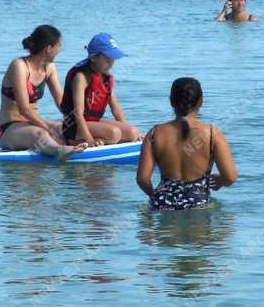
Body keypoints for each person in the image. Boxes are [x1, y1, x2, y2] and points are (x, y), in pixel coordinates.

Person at [137, 78, 237, 210]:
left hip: (162, 203)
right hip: (198, 204)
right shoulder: (213, 134)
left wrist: (155, 196)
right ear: (201, 101)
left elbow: (142, 179)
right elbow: (230, 177)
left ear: (171, 101)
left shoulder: (155, 133)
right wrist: (220, 181)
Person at [0, 25, 86, 159]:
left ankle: (87, 144)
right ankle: (60, 151)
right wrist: (48, 129)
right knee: (41, 134)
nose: (60, 49)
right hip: (9, 129)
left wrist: (78, 120)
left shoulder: (49, 68)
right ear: (48, 48)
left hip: (32, 124)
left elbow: (62, 103)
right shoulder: (19, 66)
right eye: (59, 45)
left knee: (67, 128)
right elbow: (24, 109)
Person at [59, 32, 141, 146]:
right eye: (107, 60)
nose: (111, 64)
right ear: (93, 57)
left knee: (133, 131)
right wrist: (90, 140)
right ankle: (75, 141)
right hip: (74, 127)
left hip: (93, 123)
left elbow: (116, 109)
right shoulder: (81, 77)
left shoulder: (105, 78)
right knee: (114, 133)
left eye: (113, 60)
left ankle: (105, 140)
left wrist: (131, 135)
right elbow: (77, 113)